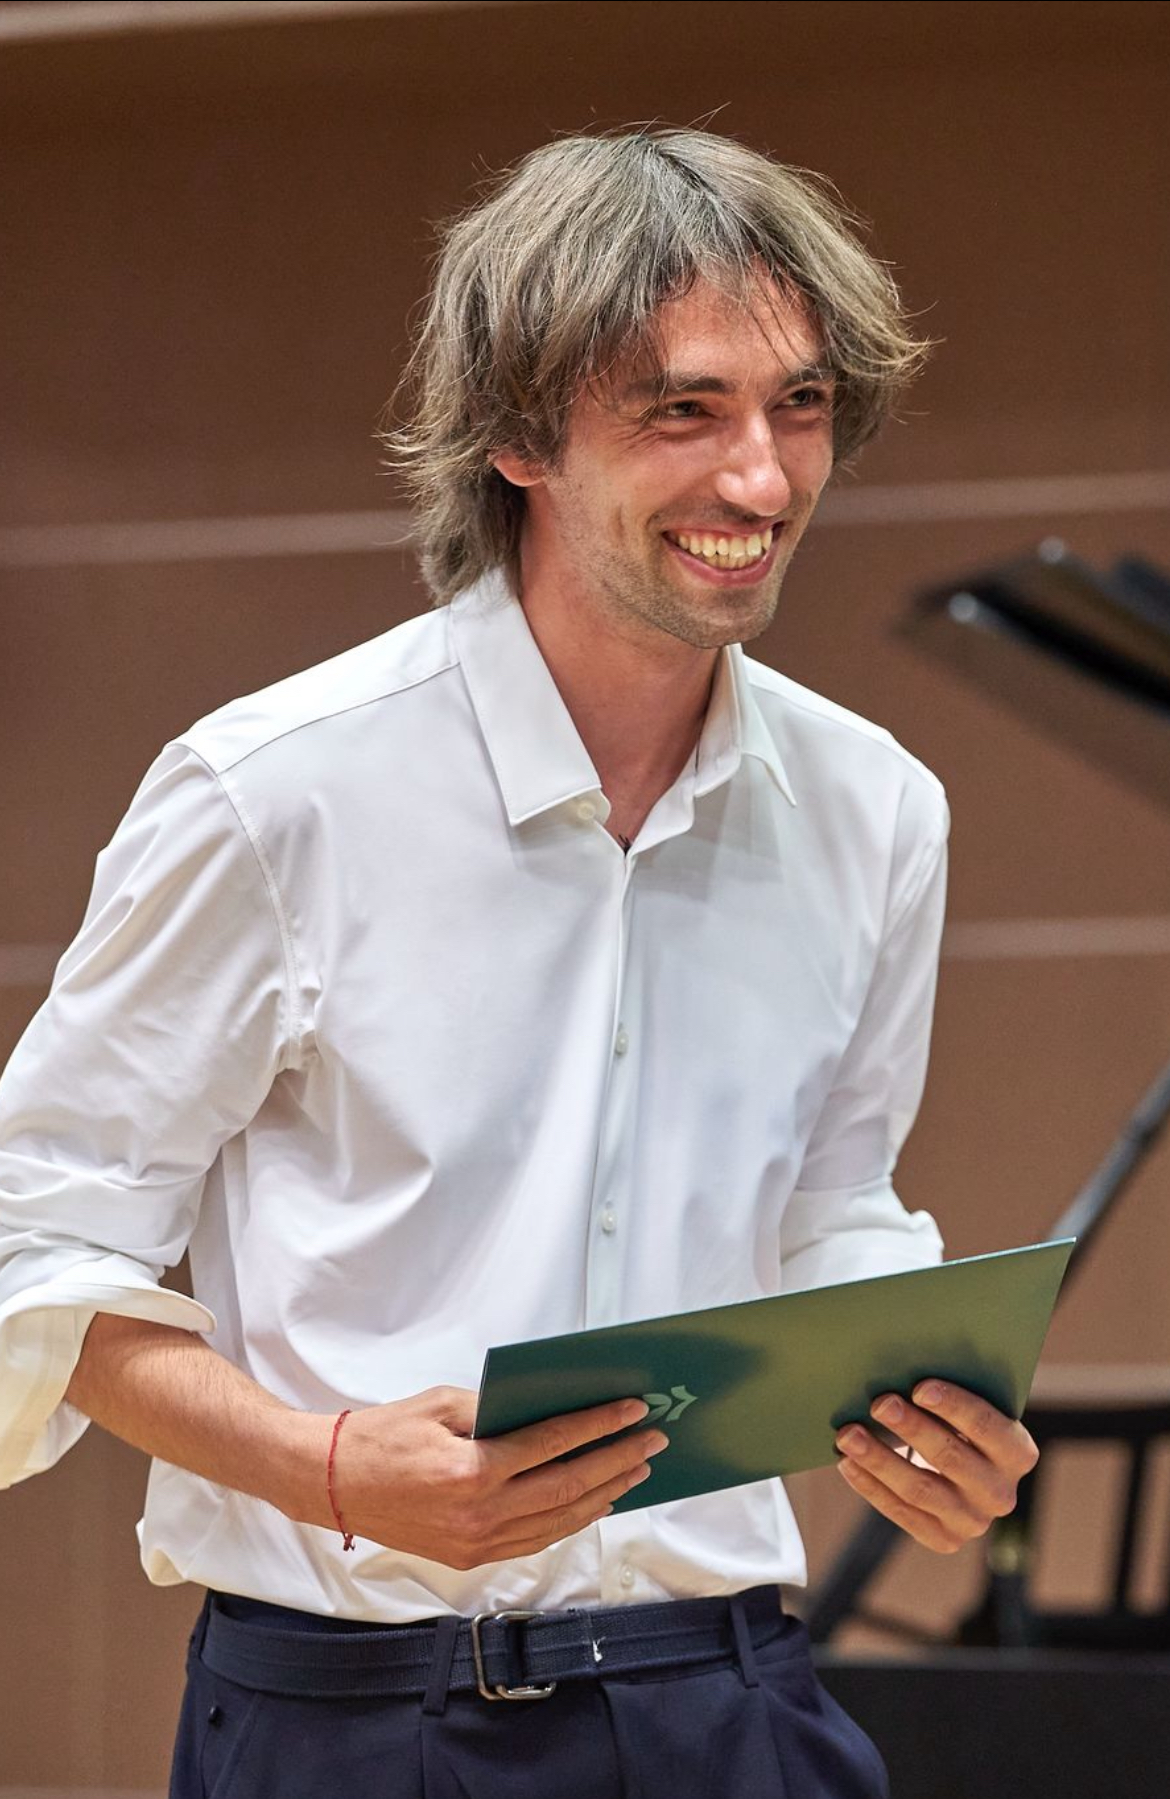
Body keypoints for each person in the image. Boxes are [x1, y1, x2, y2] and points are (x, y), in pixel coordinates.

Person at [0, 128, 1036, 1797]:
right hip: (352, 1715)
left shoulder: (875, 809)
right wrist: (328, 1467)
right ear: (516, 437)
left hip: (732, 1700)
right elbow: (35, 1240)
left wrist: (921, 1403)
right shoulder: (273, 794)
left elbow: (826, 1201)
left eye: (799, 406)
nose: (762, 481)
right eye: (682, 410)